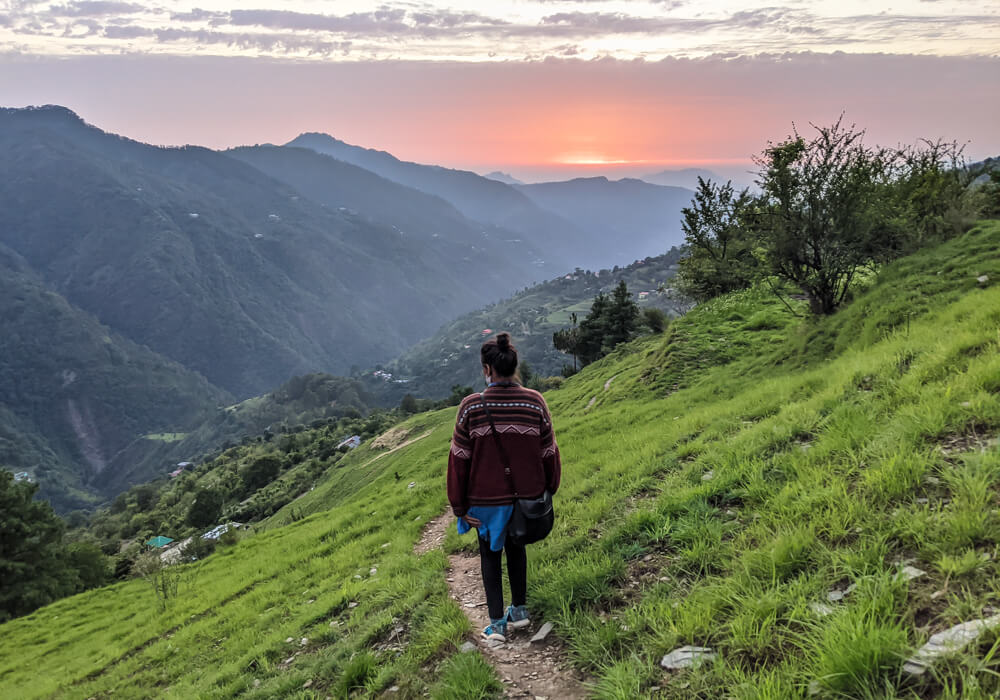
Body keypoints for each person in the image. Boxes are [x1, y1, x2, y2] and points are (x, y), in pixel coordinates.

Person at [447, 332, 561, 642]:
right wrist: (549, 488)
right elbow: (549, 452)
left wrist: (458, 506)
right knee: (517, 547)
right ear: (514, 365)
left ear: (487, 370)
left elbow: (459, 460)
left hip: (485, 502)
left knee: (489, 556)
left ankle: (497, 624)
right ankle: (520, 612)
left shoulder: (471, 408)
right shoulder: (535, 401)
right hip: (527, 498)